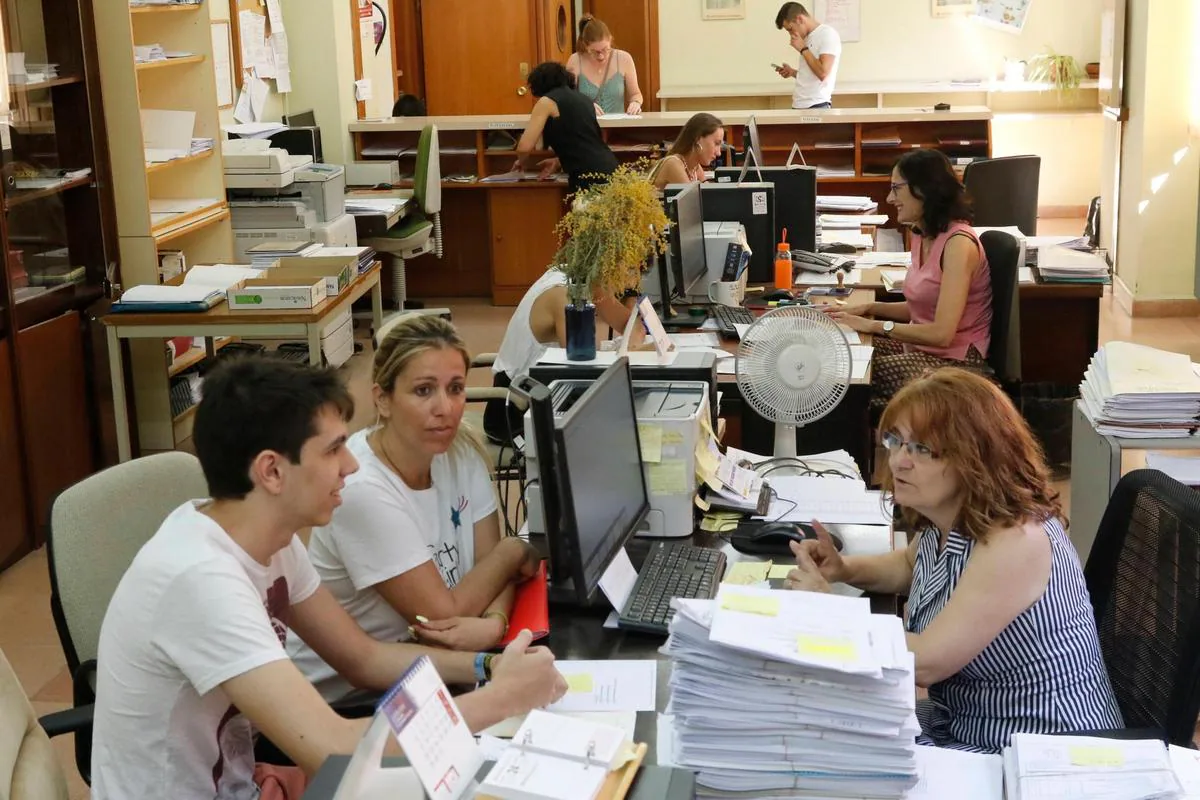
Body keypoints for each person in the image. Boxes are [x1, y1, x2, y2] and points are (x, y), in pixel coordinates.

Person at [91, 358, 567, 799]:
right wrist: (502, 699)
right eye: (334, 448)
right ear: (272, 471)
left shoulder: (268, 540)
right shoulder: (201, 579)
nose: (352, 465)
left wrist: (487, 670)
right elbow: (335, 748)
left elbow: (363, 658)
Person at [782, 368, 1123, 754]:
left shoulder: (1016, 541)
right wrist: (844, 569)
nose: (898, 462)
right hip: (970, 723)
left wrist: (827, 613)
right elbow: (912, 567)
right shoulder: (952, 516)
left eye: (922, 450)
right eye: (895, 441)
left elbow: (927, 662)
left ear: (975, 458)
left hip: (1040, 751)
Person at [287, 315, 539, 702]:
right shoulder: (361, 488)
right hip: (355, 699)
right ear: (382, 399)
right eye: (424, 391)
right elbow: (442, 617)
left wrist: (493, 623)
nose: (446, 408)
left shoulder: (459, 449)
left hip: (436, 671)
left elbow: (493, 574)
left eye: (455, 389)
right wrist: (513, 549)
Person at [824, 149, 993, 411]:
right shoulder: (922, 234)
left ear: (923, 189)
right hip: (920, 350)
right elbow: (923, 308)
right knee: (838, 349)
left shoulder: (959, 244)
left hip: (956, 364)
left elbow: (941, 333)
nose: (891, 198)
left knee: (848, 376)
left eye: (896, 188)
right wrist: (868, 309)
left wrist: (876, 325)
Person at [483, 269, 644, 444]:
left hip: (541, 396)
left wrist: (632, 340)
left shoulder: (585, 278)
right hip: (514, 413)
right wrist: (627, 350)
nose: (630, 279)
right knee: (612, 435)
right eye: (628, 268)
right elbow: (583, 370)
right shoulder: (564, 295)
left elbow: (631, 324)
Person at [514, 61, 619, 193]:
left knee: (585, 213)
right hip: (609, 168)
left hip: (588, 175)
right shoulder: (584, 99)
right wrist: (558, 162)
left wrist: (521, 163)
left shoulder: (547, 101)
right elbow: (583, 141)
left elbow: (524, 147)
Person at [566, 15, 644, 116]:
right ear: (585, 46)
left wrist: (636, 103)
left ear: (610, 41)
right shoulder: (575, 60)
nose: (601, 56)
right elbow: (567, 97)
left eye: (605, 49)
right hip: (585, 126)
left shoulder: (624, 59)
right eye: (595, 52)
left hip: (617, 127)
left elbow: (636, 94)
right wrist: (585, 105)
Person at [773, 3, 842, 110]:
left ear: (800, 19)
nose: (791, 35)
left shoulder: (827, 34)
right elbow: (811, 75)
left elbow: (823, 74)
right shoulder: (807, 37)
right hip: (799, 104)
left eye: (790, 29)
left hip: (817, 106)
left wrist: (803, 49)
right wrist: (792, 72)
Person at [648, 112, 725, 190]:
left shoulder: (695, 166)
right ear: (698, 139)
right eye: (716, 143)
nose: (719, 153)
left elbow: (709, 192)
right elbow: (693, 200)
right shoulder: (673, 164)